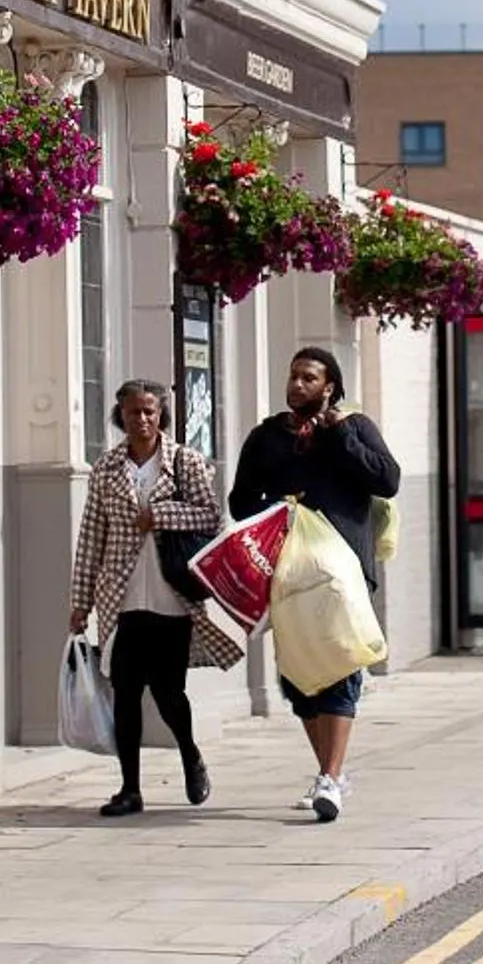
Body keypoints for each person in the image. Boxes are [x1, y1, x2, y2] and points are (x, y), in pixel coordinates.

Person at [230, 346, 400, 825]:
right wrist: (276, 509)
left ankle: (330, 776)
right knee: (300, 679)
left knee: (342, 663)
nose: (298, 384)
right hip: (290, 572)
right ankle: (331, 773)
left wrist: (341, 432)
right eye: (293, 376)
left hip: (344, 569)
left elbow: (387, 481)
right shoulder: (266, 437)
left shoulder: (353, 428)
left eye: (308, 377)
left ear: (328, 387)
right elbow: (241, 501)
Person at [69, 381, 239, 818]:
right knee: (125, 691)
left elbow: (210, 515)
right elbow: (91, 537)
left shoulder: (186, 462)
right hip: (121, 597)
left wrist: (159, 514)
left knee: (168, 691)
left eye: (148, 411)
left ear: (161, 414)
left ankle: (190, 754)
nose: (141, 420)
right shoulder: (106, 468)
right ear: (119, 417)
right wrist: (80, 600)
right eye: (131, 413)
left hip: (171, 596)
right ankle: (130, 788)